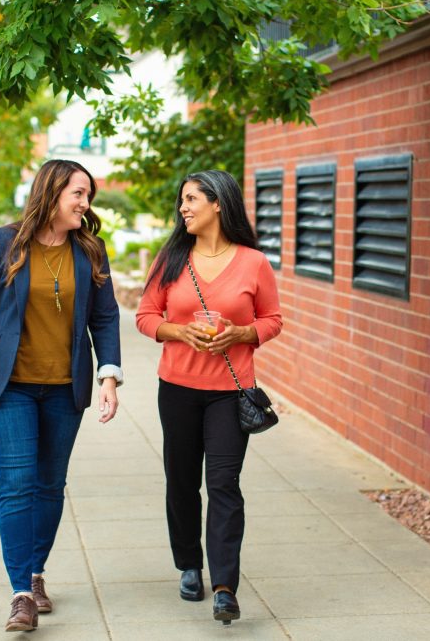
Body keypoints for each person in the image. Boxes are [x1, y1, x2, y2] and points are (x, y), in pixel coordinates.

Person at [0, 159, 122, 632]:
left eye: (88, 195)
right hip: (8, 386)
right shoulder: (3, 242)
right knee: (17, 484)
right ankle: (21, 594)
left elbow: (106, 318)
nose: (85, 203)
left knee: (50, 486)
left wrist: (108, 375)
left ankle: (36, 571)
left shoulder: (90, 250)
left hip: (64, 388)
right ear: (51, 193)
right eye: (78, 193)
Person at [135, 169, 282, 625]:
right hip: (177, 389)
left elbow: (273, 318)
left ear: (219, 203)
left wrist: (243, 333)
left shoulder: (254, 262)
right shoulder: (172, 258)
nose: (184, 207)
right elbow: (145, 315)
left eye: (192, 199)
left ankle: (224, 587)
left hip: (228, 393)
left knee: (223, 484)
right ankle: (188, 566)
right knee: (181, 481)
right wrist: (179, 331)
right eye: (182, 200)